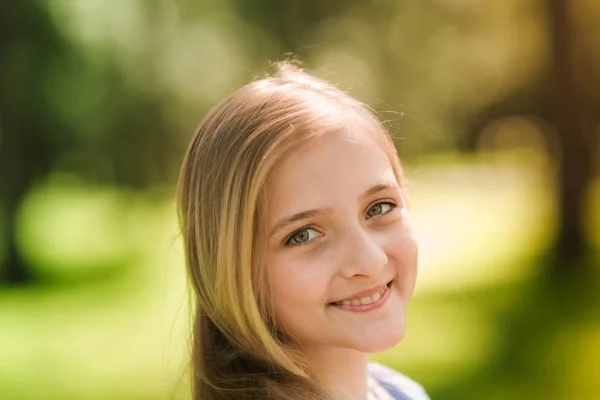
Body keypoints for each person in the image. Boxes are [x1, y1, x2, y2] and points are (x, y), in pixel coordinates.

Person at [177, 60, 430, 400]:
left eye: (379, 207)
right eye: (304, 234)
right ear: (232, 272)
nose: (369, 260)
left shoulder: (399, 392)